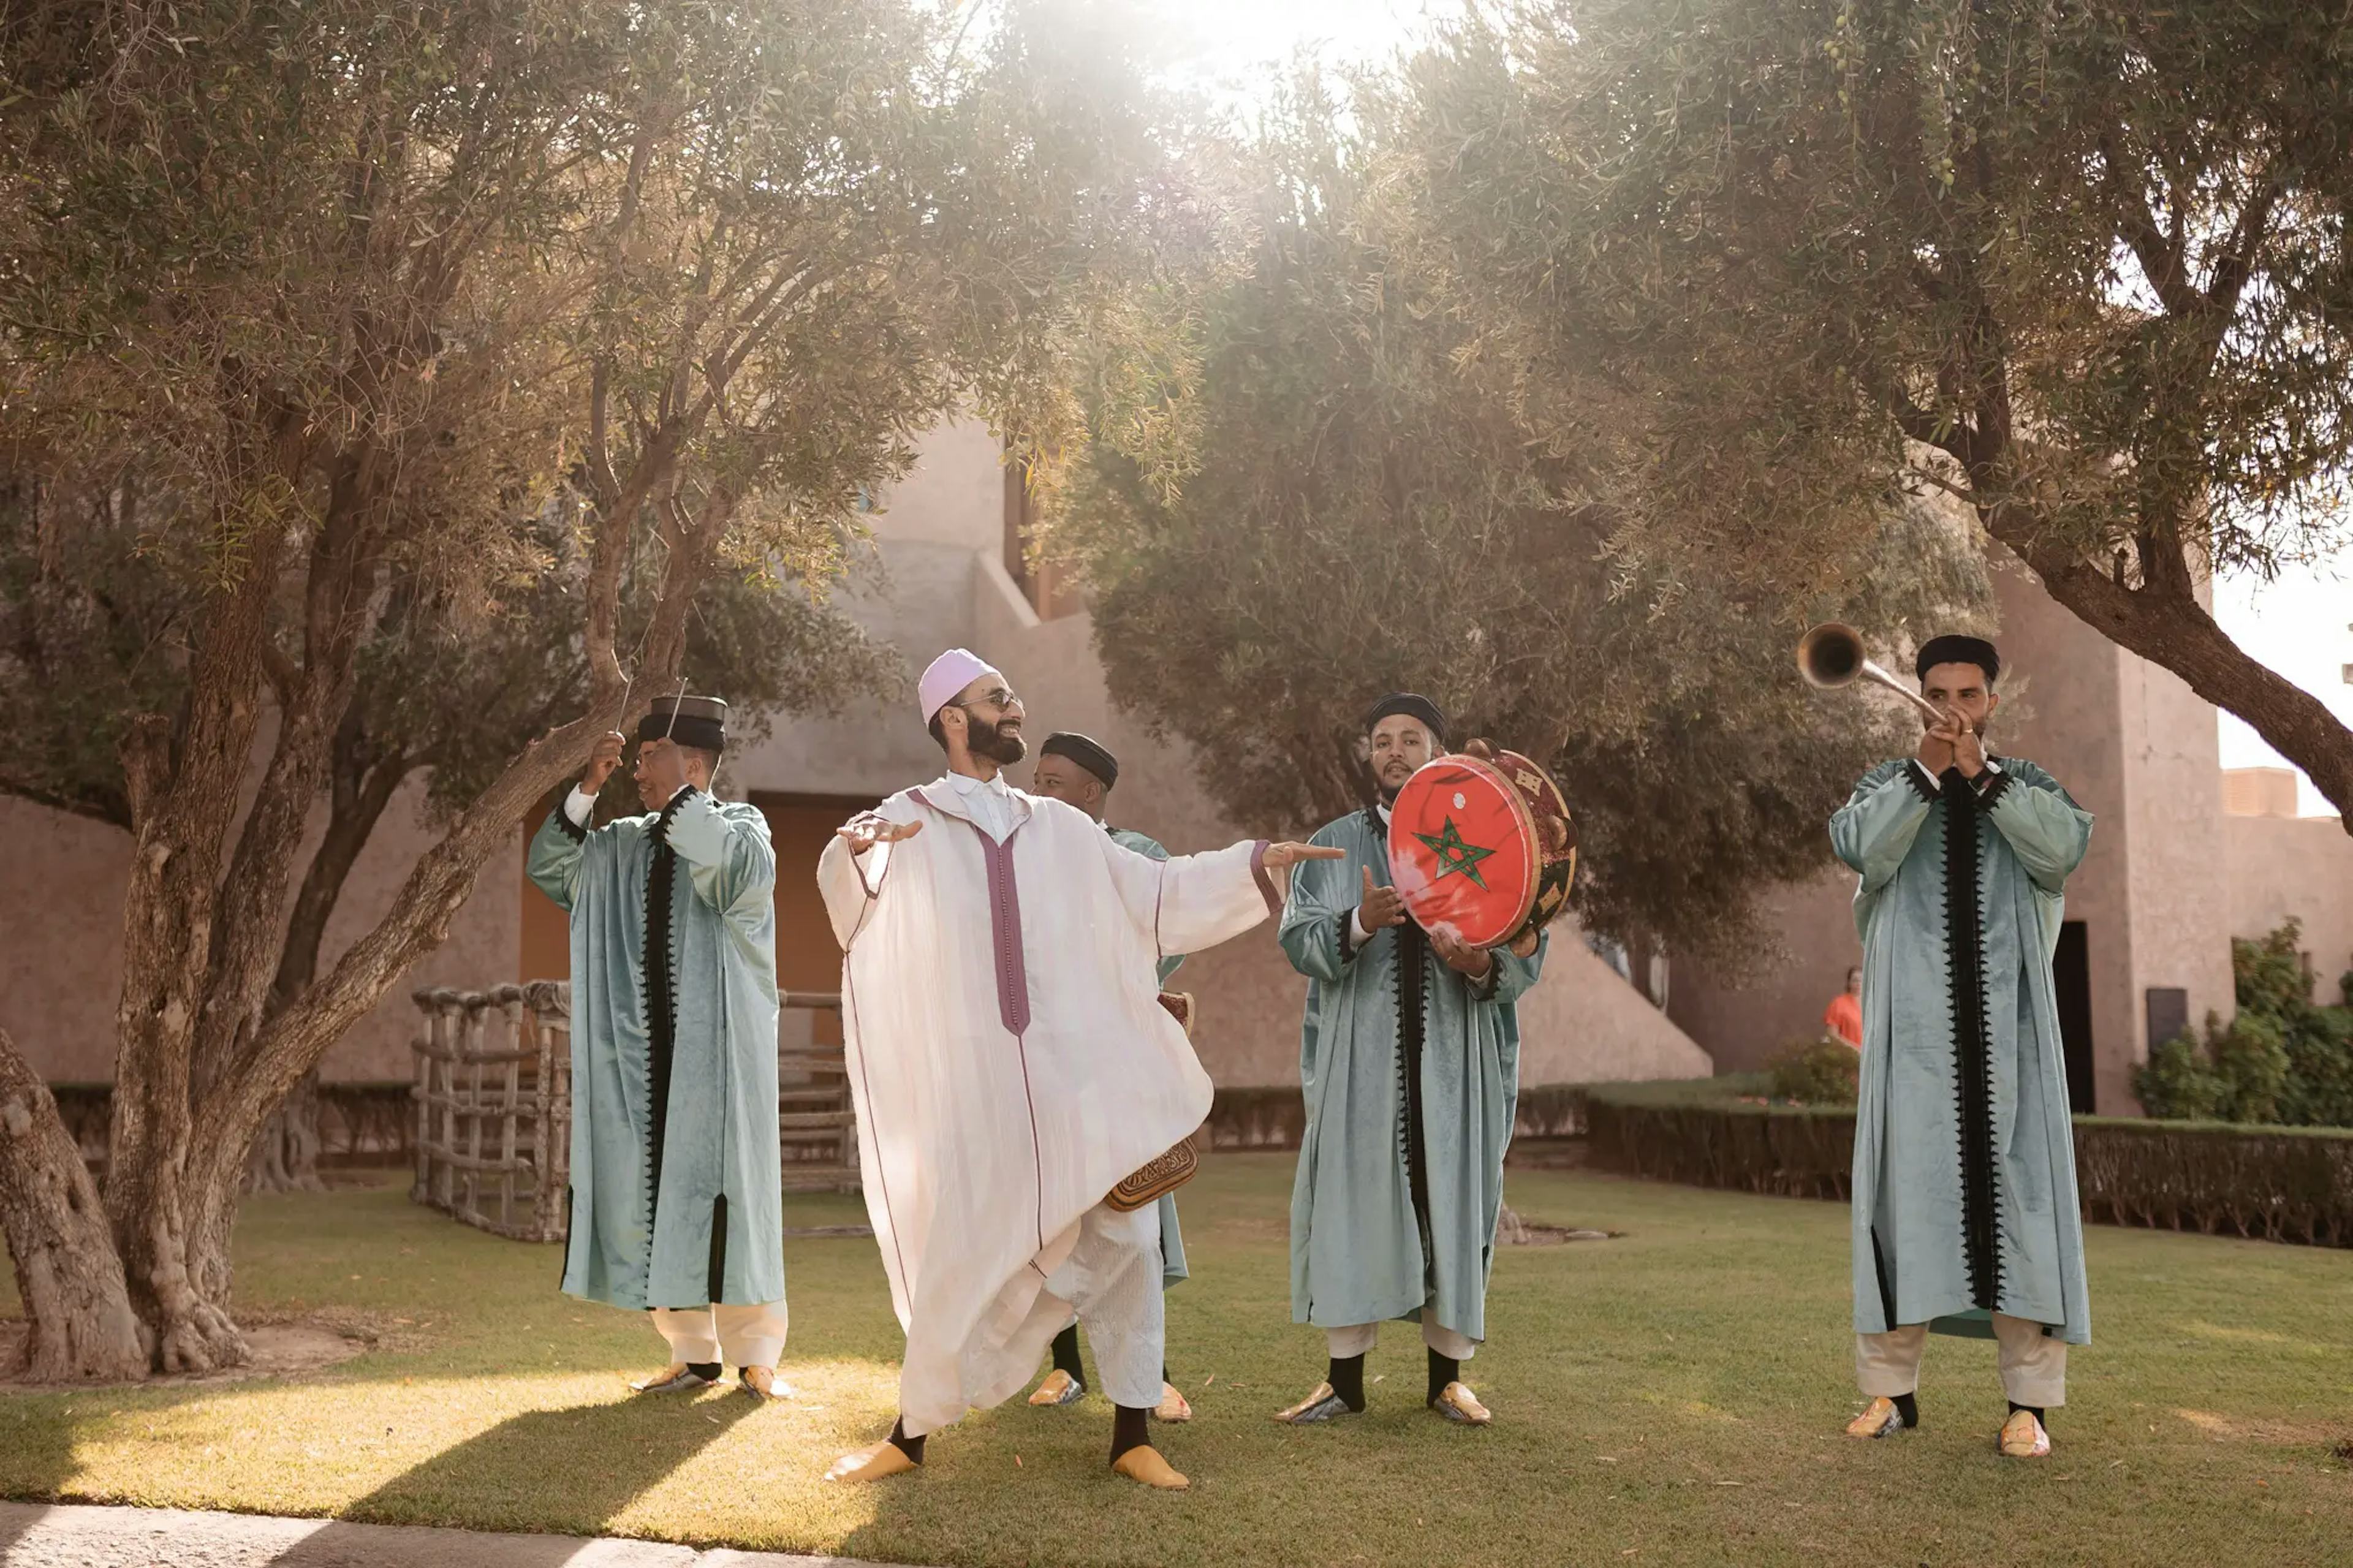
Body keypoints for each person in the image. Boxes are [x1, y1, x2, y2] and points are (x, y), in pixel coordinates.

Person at [816, 650, 1342, 1491]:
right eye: (997, 696)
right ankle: (907, 1435)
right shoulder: (907, 817)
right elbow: (852, 892)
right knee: (959, 1252)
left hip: (1075, 1084)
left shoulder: (1061, 827)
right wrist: (860, 853)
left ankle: (1131, 1431)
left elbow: (1157, 893)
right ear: (953, 718)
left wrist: (1252, 865)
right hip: (980, 1091)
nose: (1015, 704)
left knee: (1129, 1240)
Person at [1830, 635, 2094, 1460]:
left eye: (1969, 694)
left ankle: (2030, 1406)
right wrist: (1924, 768)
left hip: (2013, 1045)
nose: (1953, 707)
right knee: (1905, 1205)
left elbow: (2062, 848)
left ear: (1992, 701)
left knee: (2024, 1212)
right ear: (1915, 695)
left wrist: (1982, 774)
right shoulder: (1887, 785)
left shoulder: (2028, 786)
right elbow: (1858, 847)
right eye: (1938, 692)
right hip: (1912, 1049)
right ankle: (1892, 1393)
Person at [1273, 693, 1547, 1428]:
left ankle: (1448, 1379)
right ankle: (1342, 1381)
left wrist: (1476, 961)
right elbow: (1299, 941)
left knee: (1451, 1197)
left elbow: (1527, 950)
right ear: (1369, 754)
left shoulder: (1494, 835)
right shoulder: (1332, 844)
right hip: (1358, 1068)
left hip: (1457, 1061)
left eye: (1411, 739)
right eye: (1382, 740)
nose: (1394, 751)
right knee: (1353, 1203)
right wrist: (1360, 921)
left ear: (1439, 752)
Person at [526, 694, 786, 1401]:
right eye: (635, 760)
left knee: (734, 1193)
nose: (636, 771)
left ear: (693, 762)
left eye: (650, 758)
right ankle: (690, 1353)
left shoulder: (741, 828)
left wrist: (682, 804)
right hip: (641, 1065)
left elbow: (736, 878)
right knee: (654, 1194)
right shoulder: (619, 845)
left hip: (719, 1062)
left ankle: (756, 1354)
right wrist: (585, 790)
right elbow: (553, 870)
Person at [1025, 730, 1192, 1424]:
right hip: (1040, 1068)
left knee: (1132, 1220)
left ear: (1092, 792)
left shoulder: (1139, 855)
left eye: (1054, 782)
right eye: (1036, 779)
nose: (1038, 793)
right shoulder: (1020, 859)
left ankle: (1151, 1378)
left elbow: (1167, 932)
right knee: (1051, 1224)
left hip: (1115, 1071)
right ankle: (1064, 1371)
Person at [1825, 966, 1864, 1048]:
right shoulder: (1838, 1004)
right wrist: (1855, 1050)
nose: (1859, 984)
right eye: (1855, 980)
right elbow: (1833, 1036)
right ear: (1849, 983)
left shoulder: (1872, 1005)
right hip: (1849, 1056)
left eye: (1862, 980)